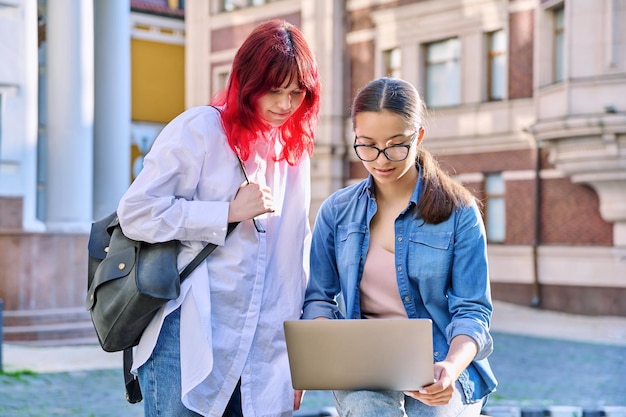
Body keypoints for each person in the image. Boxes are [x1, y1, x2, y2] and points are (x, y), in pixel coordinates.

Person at [116, 19, 321, 417]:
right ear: (247, 83)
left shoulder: (294, 152)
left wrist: (300, 359)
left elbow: (296, 256)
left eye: (297, 93)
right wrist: (226, 213)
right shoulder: (201, 129)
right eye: (274, 91)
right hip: (190, 332)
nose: (285, 105)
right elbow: (136, 213)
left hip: (262, 348)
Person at [301, 77, 497, 417]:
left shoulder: (459, 212)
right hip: (363, 367)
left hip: (440, 364)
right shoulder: (336, 211)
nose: (380, 159)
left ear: (418, 137)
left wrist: (450, 367)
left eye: (395, 145)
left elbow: (473, 311)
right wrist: (322, 352)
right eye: (367, 145)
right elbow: (319, 296)